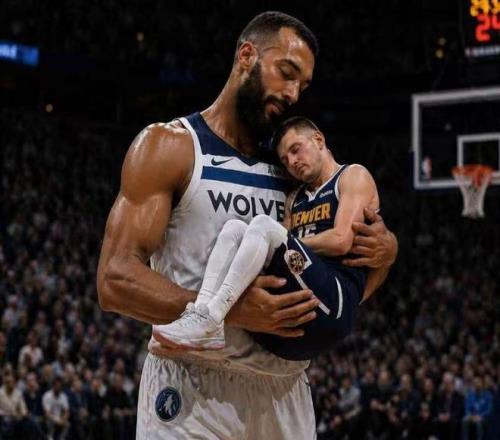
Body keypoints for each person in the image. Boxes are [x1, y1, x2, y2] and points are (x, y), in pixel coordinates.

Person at [97, 11, 398, 439]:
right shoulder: (172, 146)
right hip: (192, 387)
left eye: (303, 85)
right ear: (246, 56)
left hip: (284, 390)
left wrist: (386, 254)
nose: (293, 93)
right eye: (286, 73)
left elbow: (346, 285)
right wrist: (227, 311)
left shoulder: (295, 171)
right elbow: (114, 279)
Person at [153, 117, 380, 357]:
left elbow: (341, 240)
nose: (292, 162)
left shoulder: (352, 176)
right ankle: (200, 314)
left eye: (296, 149)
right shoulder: (295, 197)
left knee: (263, 226)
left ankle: (213, 318)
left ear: (318, 140)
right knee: (235, 229)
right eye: (285, 160)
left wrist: (288, 243)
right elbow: (277, 247)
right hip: (300, 312)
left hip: (337, 303)